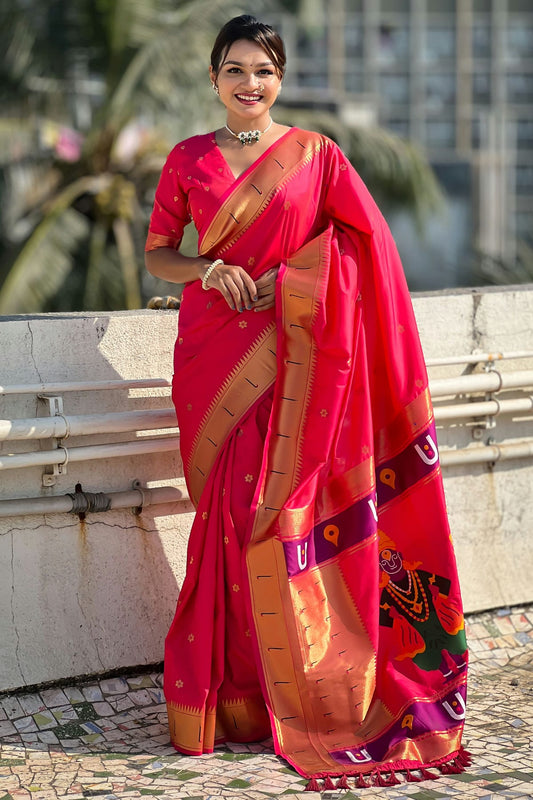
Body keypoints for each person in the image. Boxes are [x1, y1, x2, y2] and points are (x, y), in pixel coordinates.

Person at [145, 14, 469, 791]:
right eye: (233, 70)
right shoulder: (188, 159)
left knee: (278, 511)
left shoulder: (317, 158)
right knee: (224, 517)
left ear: (279, 80)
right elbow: (159, 253)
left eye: (262, 70)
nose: (248, 84)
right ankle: (230, 700)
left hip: (298, 365)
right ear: (213, 79)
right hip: (215, 360)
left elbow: (363, 247)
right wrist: (204, 270)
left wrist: (295, 280)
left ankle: (301, 690)